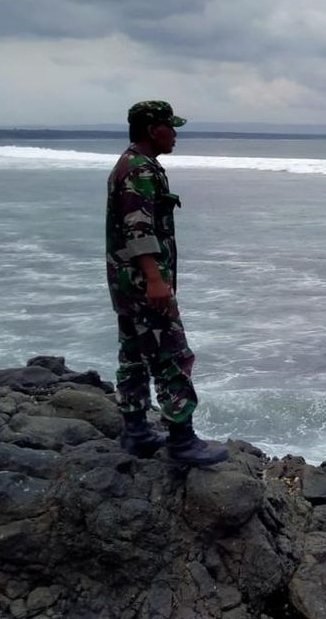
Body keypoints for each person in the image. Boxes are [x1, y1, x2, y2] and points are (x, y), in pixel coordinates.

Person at [106, 100, 230, 466]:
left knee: (133, 353)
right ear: (151, 129)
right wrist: (156, 279)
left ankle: (136, 430)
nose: (175, 134)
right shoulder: (138, 170)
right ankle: (181, 441)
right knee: (172, 355)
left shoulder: (132, 165)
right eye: (169, 127)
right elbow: (138, 227)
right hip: (145, 283)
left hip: (127, 283)